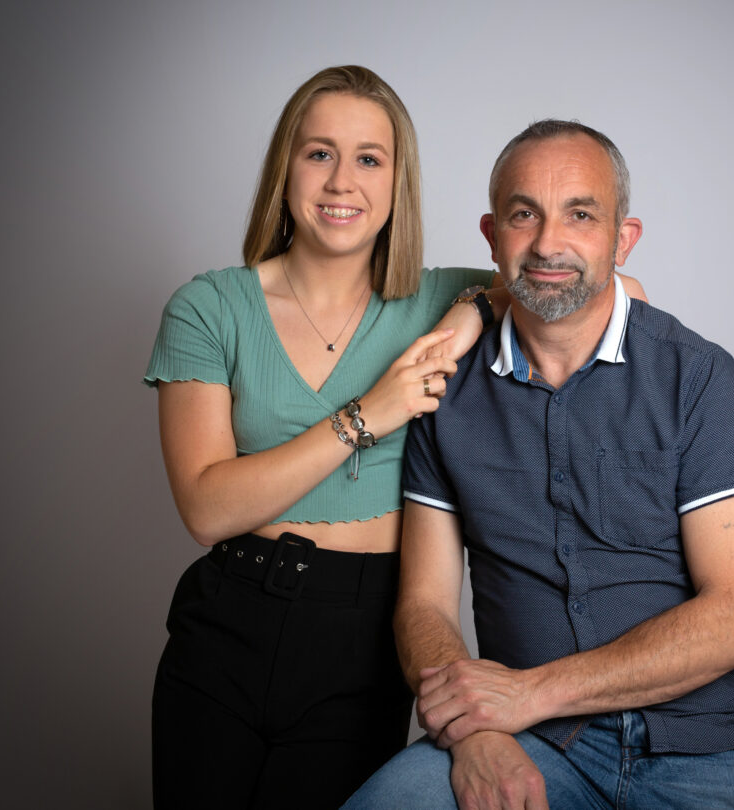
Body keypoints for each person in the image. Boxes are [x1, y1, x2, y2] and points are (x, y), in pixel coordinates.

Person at [345, 120, 734, 809]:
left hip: (708, 744)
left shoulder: (697, 376)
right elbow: (425, 604)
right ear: (493, 236)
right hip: (526, 743)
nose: (549, 242)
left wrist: (528, 694)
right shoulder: (444, 393)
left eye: (580, 214)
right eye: (525, 215)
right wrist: (475, 732)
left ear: (623, 238)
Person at [142, 65, 508, 809]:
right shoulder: (209, 307)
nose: (342, 181)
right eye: (319, 153)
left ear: (396, 182)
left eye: (369, 158)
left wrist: (475, 310)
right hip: (229, 618)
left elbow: (609, 291)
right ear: (286, 169)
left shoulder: (438, 298)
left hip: (367, 633)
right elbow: (208, 509)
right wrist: (369, 414)